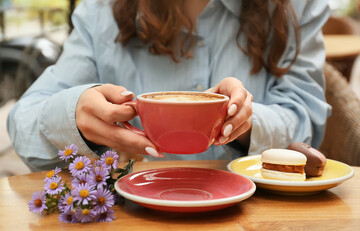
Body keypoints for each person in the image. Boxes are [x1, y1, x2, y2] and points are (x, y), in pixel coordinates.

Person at [7, 0, 331, 171]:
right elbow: (23, 124)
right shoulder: (99, 10)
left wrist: (244, 123)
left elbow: (308, 122)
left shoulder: (295, 6)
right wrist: (75, 114)